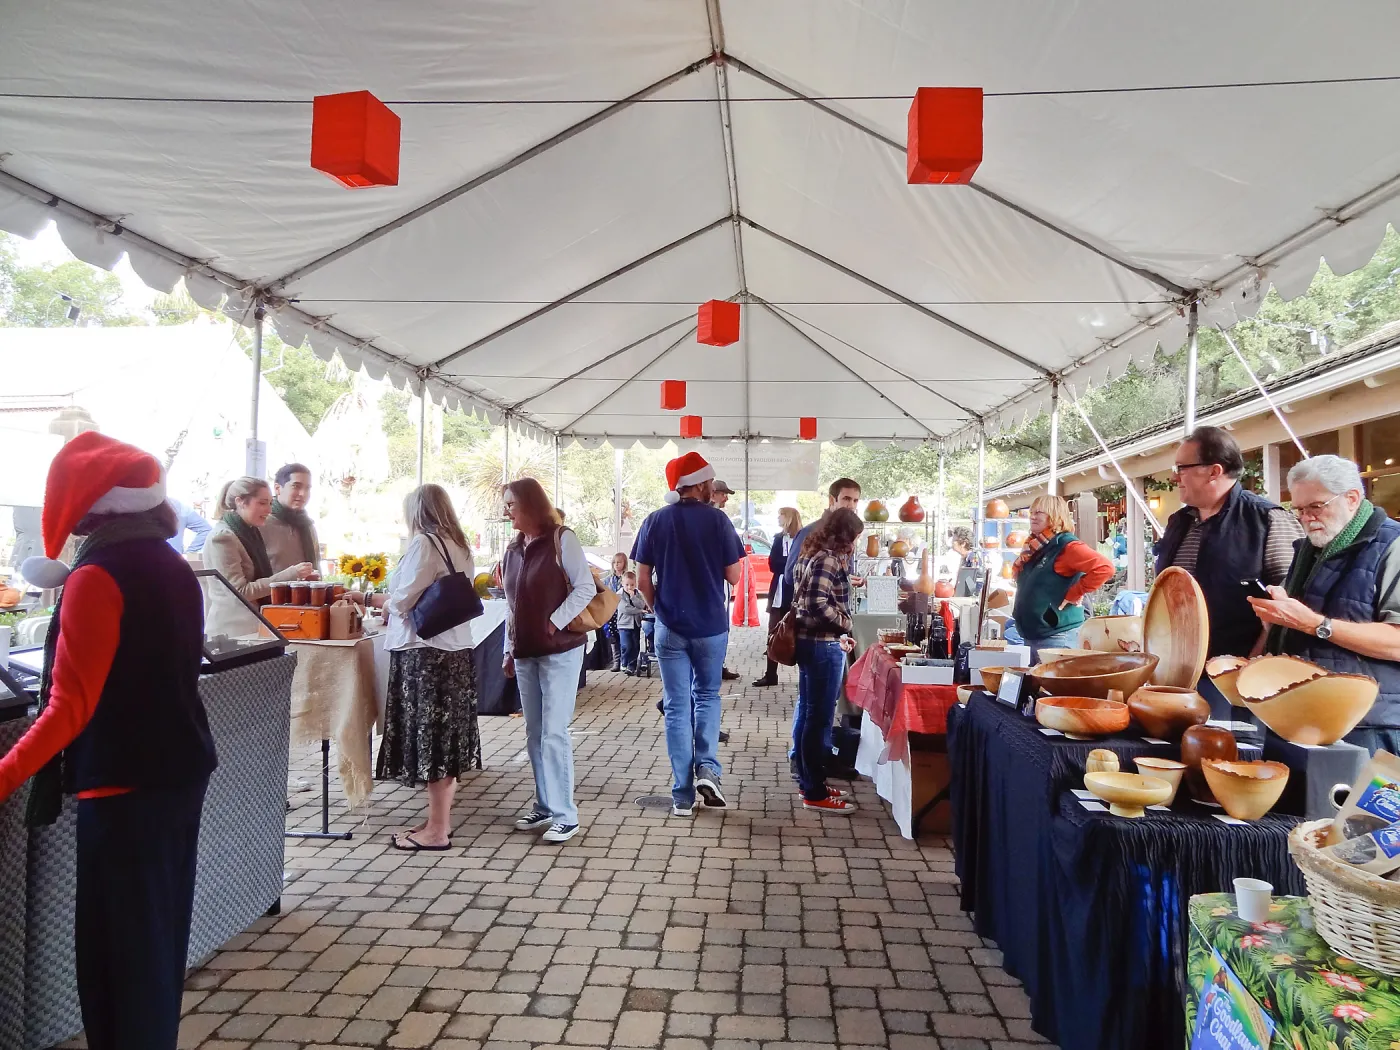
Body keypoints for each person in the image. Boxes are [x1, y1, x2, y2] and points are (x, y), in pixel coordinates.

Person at [2, 432, 217, 1049]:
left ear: (87, 513)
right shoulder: (174, 566)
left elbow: (69, 708)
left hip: (125, 785)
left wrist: (4, 775)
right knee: (156, 944)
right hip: (178, 769)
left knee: (117, 960)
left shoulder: (97, 577)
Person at [1248, 455, 1400, 754]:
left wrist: (1313, 624)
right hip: (1300, 715)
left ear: (1352, 498)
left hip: (1369, 726)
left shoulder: (1393, 547)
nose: (1306, 518)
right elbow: (1297, 622)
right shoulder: (1309, 549)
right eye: (1300, 510)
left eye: (1316, 506)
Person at [633, 452, 745, 816]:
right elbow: (733, 575)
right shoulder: (718, 520)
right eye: (710, 481)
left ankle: (682, 795)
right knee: (708, 697)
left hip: (669, 627)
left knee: (677, 706)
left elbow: (641, 576)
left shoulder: (654, 521)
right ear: (700, 484)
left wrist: (655, 607)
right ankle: (708, 769)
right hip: (711, 626)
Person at [376, 484, 482, 851]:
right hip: (453, 650)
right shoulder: (460, 545)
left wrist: (381, 601)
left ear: (417, 512)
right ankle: (439, 821)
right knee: (446, 738)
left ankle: (436, 831)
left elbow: (404, 600)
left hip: (425, 653)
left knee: (432, 739)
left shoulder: (424, 543)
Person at [501, 477, 596, 844]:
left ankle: (565, 814)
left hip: (560, 651)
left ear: (530, 504)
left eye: (511, 504)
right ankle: (544, 803)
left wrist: (553, 623)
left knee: (554, 732)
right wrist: (510, 648)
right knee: (535, 732)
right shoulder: (513, 549)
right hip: (525, 652)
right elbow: (511, 607)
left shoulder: (562, 539)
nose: (506, 510)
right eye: (505, 504)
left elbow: (585, 586)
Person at [1156, 426, 1303, 658]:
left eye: (1181, 468)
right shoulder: (1178, 523)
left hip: (1242, 672)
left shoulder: (1268, 519)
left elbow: (1291, 605)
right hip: (1179, 663)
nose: (1174, 477)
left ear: (1214, 471)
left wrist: (1253, 662)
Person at [791, 508, 863, 813]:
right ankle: (815, 792)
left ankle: (811, 782)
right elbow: (815, 603)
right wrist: (844, 625)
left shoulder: (812, 551)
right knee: (817, 720)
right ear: (847, 536)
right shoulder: (830, 558)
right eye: (857, 537)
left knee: (810, 716)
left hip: (814, 644)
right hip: (822, 647)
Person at [1009, 494, 1114, 662]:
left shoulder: (1067, 546)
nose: (1033, 517)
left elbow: (1104, 568)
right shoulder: (1036, 547)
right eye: (1032, 512)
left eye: (1039, 512)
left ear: (1055, 516)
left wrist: (1076, 592)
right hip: (1035, 635)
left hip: (1058, 637)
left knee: (1055, 688)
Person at [204, 477, 315, 635]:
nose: (269, 510)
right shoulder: (223, 537)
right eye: (262, 503)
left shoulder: (250, 532)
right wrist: (292, 574)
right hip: (232, 631)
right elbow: (240, 592)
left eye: (270, 503)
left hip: (253, 627)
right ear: (240, 501)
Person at [754, 507, 802, 687]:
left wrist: (788, 564)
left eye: (780, 515)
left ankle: (803, 676)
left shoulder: (803, 538)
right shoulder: (778, 538)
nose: (778, 518)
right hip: (780, 589)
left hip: (796, 590)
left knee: (799, 633)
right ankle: (770, 674)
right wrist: (790, 563)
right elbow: (773, 563)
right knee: (774, 630)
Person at [262, 462, 319, 574]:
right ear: (277, 488)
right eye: (296, 486)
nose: (302, 493)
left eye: (307, 488)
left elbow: (317, 569)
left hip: (308, 590)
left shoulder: (307, 525)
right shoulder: (261, 523)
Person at [710, 482, 741, 681]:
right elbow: (733, 572)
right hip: (715, 586)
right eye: (724, 494)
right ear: (713, 493)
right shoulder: (719, 520)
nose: (726, 498)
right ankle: (716, 666)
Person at [616, 571, 651, 675]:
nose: (629, 587)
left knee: (635, 645)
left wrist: (633, 597)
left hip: (636, 624)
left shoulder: (637, 594)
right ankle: (624, 662)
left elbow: (641, 604)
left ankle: (632, 666)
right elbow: (625, 609)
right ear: (622, 584)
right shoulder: (619, 595)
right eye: (627, 585)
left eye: (632, 585)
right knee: (626, 645)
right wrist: (639, 611)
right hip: (624, 624)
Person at [599, 552, 629, 672]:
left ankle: (625, 661)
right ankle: (616, 661)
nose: (616, 565)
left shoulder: (628, 577)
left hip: (624, 613)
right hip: (612, 612)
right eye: (614, 562)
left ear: (624, 563)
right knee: (612, 636)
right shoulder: (608, 579)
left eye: (619, 562)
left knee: (625, 637)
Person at [950, 526, 985, 597]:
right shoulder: (966, 557)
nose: (952, 543)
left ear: (963, 543)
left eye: (954, 540)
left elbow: (975, 584)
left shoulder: (973, 557)